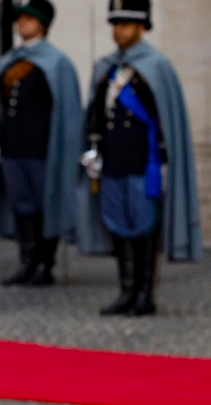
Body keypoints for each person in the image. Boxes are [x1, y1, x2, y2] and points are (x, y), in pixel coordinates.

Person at [78, 0, 203, 316]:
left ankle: (145, 295)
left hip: (145, 164)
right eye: (115, 25)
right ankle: (126, 291)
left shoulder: (156, 67)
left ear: (141, 27)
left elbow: (166, 121)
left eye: (126, 25)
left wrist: (165, 163)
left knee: (145, 228)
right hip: (113, 163)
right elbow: (96, 114)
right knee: (118, 226)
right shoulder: (106, 68)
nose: (119, 31)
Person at [0, 0, 83, 287]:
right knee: (22, 205)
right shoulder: (9, 61)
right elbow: (1, 106)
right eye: (20, 19)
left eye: (28, 19)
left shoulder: (57, 63)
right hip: (12, 147)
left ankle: (45, 264)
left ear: (42, 24)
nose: (22, 23)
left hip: (42, 149)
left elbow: (67, 112)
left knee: (44, 205)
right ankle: (27, 262)